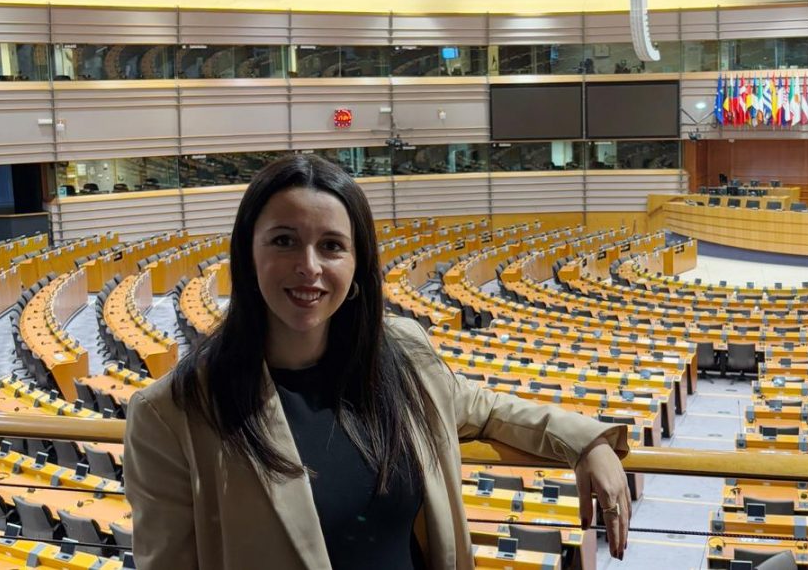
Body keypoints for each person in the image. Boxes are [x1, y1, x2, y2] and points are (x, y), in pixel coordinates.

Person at [124, 154, 631, 570]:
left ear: (357, 263)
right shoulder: (172, 413)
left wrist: (589, 443)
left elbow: (484, 408)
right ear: (247, 254)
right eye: (284, 241)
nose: (309, 266)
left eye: (331, 246)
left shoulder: (402, 352)